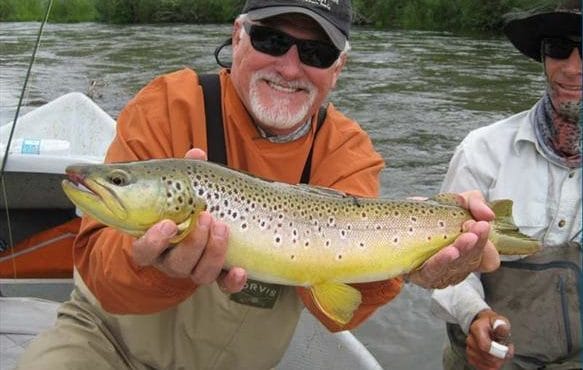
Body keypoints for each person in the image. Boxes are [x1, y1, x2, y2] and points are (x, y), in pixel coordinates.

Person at [18, 1, 499, 369]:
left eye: (315, 52)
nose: (289, 67)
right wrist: (159, 269)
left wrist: (414, 269)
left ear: (338, 68)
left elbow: (339, 308)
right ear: (238, 36)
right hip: (105, 346)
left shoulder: (346, 150)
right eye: (271, 40)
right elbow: (103, 278)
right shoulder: (169, 103)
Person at [431, 1, 582, 369]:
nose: (573, 68)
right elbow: (442, 264)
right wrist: (476, 315)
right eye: (559, 49)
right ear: (544, 58)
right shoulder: (482, 151)